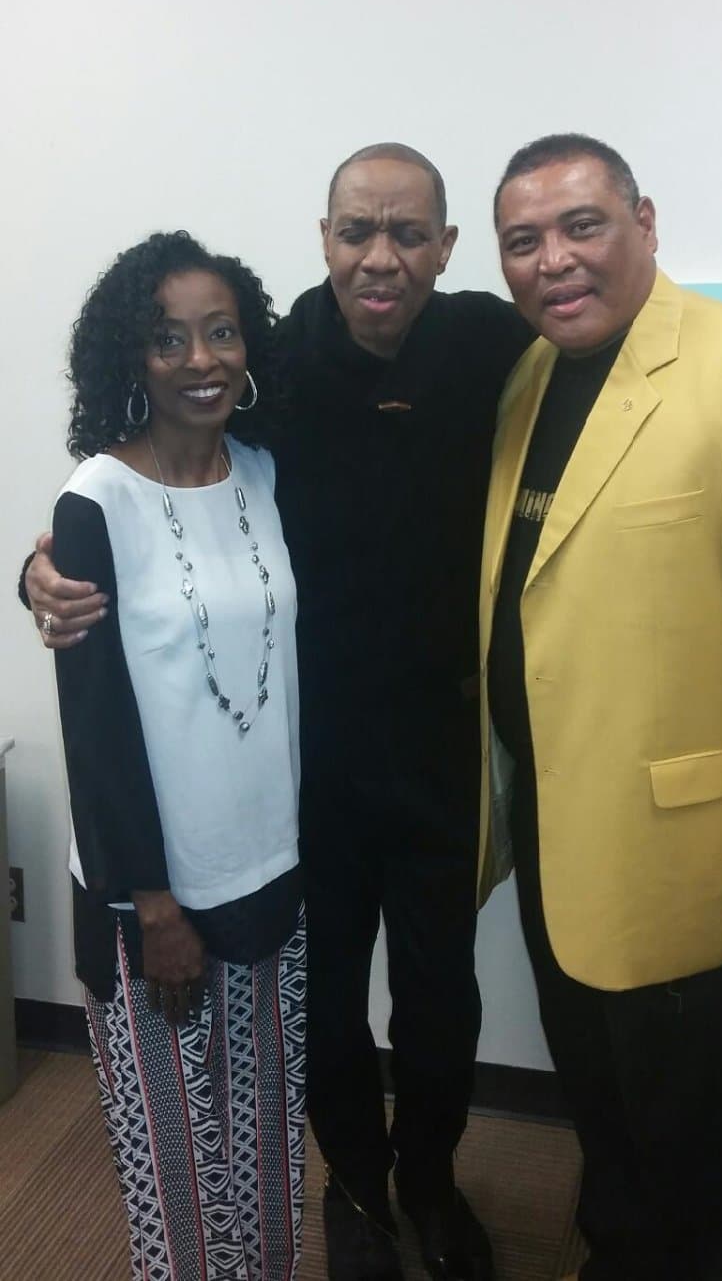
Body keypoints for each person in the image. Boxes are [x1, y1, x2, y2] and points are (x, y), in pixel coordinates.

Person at [23, 145, 533, 1281]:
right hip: (315, 761)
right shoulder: (280, 362)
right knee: (326, 1005)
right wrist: (40, 568)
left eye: (408, 234)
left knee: (443, 998)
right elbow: (143, 495)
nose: (380, 257)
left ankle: (431, 1182)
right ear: (324, 237)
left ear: (446, 248)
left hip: (444, 744)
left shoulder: (494, 343)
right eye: (358, 230)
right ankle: (354, 1187)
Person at [479, 133, 722, 1281]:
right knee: (604, 1109)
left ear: (645, 221)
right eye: (523, 242)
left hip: (688, 849)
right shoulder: (530, 378)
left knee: (695, 1145)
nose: (554, 261)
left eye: (581, 225)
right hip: (554, 825)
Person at [46, 231, 305, 1281]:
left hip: (272, 871)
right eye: (168, 339)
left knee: (268, 1137)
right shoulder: (96, 501)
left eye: (220, 333)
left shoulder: (266, 470)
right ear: (130, 358)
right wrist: (150, 901)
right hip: (153, 894)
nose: (200, 359)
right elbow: (94, 721)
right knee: (180, 1164)